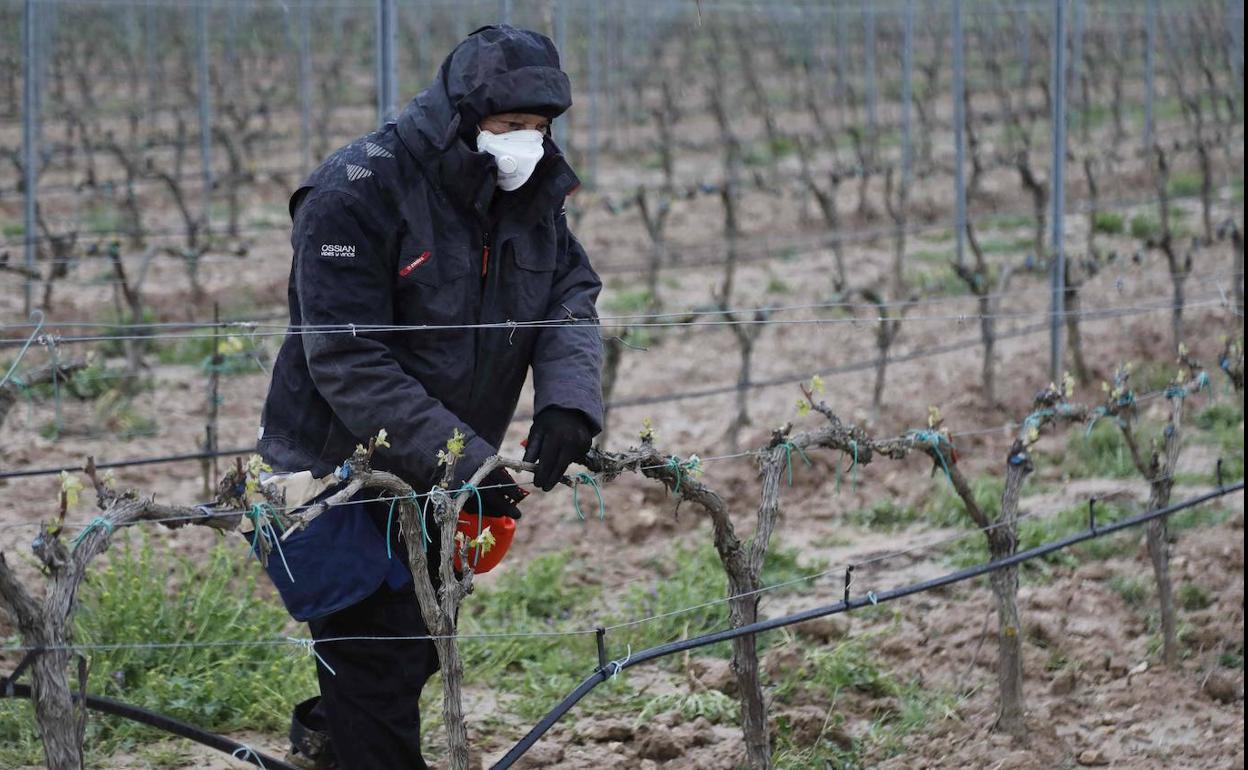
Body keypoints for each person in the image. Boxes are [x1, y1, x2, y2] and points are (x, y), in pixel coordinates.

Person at [254, 24, 603, 770]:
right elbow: (347, 359)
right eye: (509, 127)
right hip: (339, 470)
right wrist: (468, 464)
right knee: (376, 659)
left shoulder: (528, 191)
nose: (527, 144)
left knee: (413, 651)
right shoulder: (355, 191)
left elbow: (568, 290)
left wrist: (569, 401)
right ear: (459, 121)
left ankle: (328, 743)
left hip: (444, 470)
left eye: (540, 129)